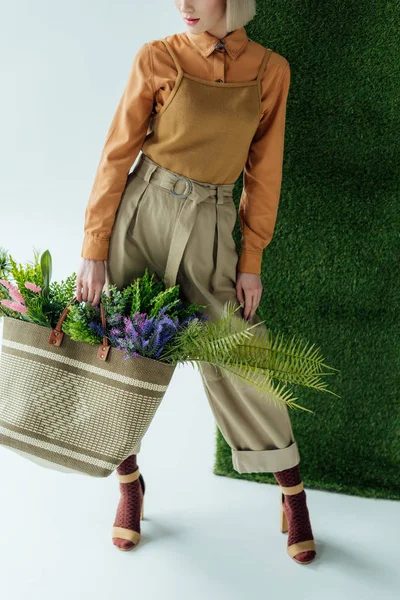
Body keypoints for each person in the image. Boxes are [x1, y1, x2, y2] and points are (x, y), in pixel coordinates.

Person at [76, 0, 316, 564]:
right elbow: (117, 154)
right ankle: (129, 484)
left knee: (241, 355)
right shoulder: (158, 57)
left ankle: (293, 492)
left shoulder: (270, 70)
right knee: (120, 355)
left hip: (212, 226)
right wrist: (94, 246)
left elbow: (265, 168)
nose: (184, 6)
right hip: (141, 216)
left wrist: (251, 258)